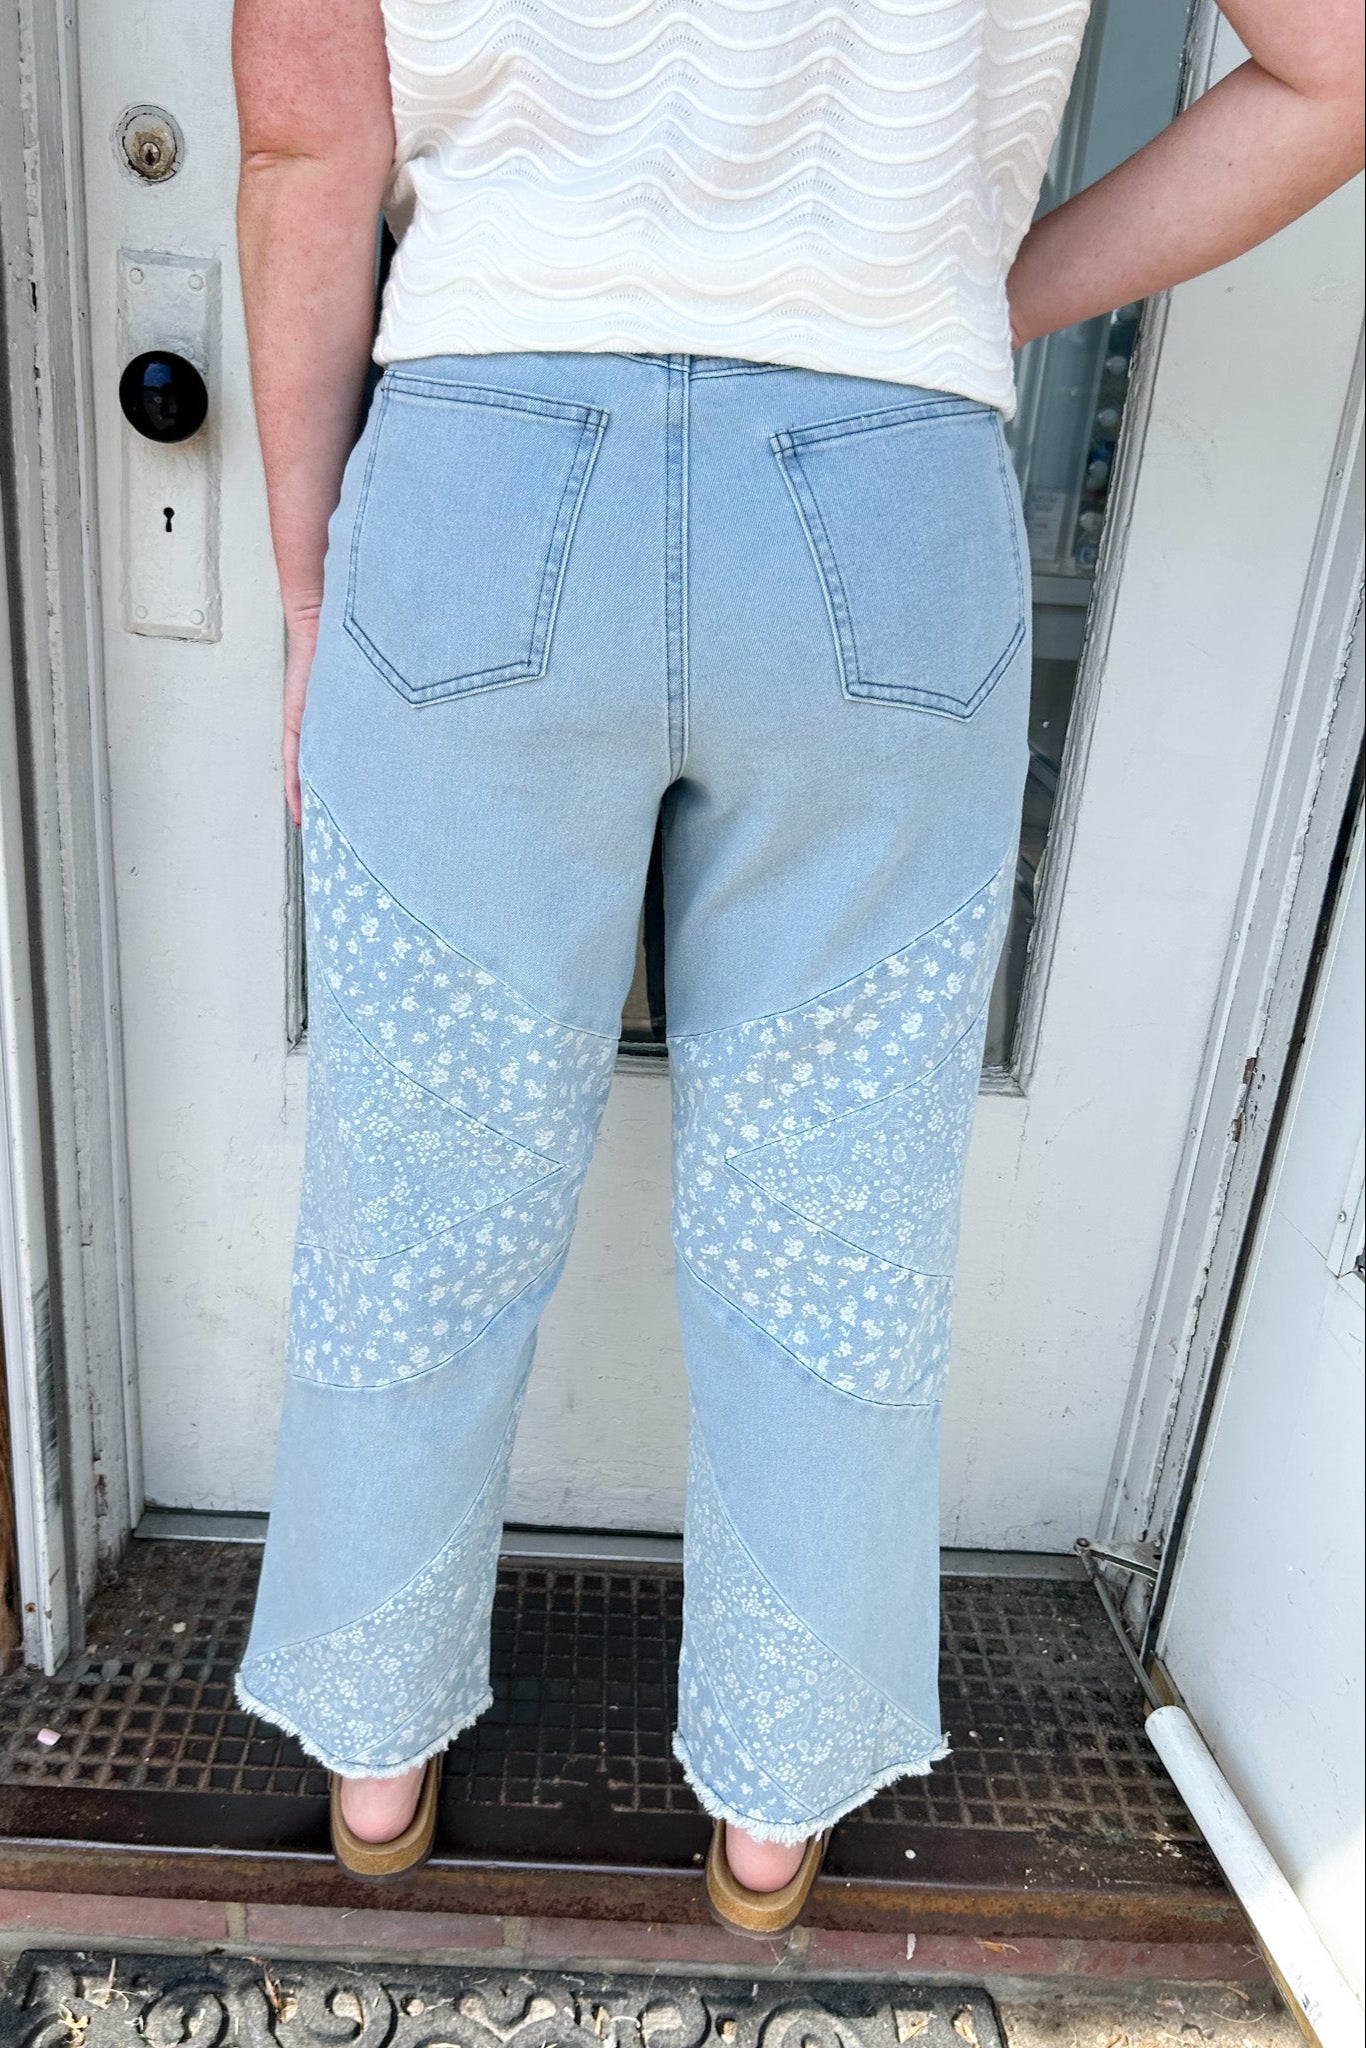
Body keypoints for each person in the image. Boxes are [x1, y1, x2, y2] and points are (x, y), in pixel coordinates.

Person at [230, 0, 1362, 1926]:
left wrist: (314, 584)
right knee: (832, 1214)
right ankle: (774, 1808)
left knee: (419, 1187)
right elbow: (1332, 72)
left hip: (486, 467)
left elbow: (306, 153)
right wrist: (975, 294)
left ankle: (374, 1754)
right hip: (884, 476)